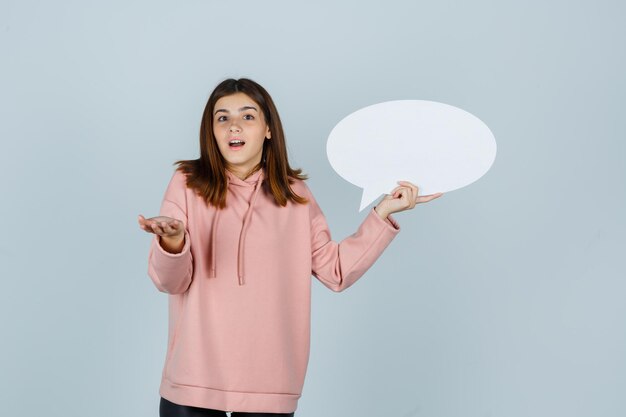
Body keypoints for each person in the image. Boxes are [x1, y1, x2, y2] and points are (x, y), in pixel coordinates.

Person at [138, 78, 443, 417]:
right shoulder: (187, 183)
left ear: (269, 129)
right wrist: (173, 242)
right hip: (192, 382)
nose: (233, 125)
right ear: (211, 130)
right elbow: (169, 282)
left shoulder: (294, 195)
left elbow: (335, 271)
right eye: (222, 118)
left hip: (270, 384)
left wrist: (383, 213)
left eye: (248, 116)